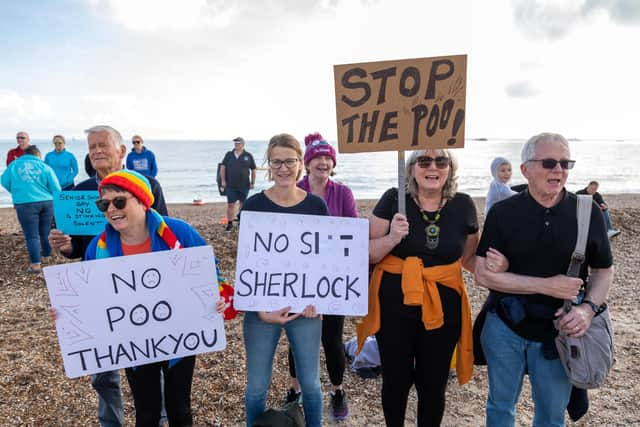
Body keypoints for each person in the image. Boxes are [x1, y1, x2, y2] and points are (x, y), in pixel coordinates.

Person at [474, 133, 614, 426]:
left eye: (565, 163)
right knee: (500, 406)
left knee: (551, 414)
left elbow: (603, 270)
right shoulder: (503, 212)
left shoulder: (587, 212)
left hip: (560, 329)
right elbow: (483, 274)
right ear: (525, 169)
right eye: (549, 162)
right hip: (505, 325)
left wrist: (587, 310)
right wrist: (545, 284)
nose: (559, 170)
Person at [74, 170, 225, 426]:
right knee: (146, 411)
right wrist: (68, 314)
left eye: (119, 201)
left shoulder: (178, 232)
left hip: (181, 334)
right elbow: (89, 298)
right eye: (104, 204)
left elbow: (209, 268)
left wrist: (217, 293)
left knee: (180, 408)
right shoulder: (98, 248)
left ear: (143, 201)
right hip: (134, 341)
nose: (111, 209)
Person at [357, 149, 490, 426]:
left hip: (444, 305)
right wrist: (393, 238)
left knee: (433, 382)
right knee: (396, 379)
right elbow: (365, 253)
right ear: (412, 168)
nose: (433, 167)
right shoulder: (394, 198)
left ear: (450, 168)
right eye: (424, 161)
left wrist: (504, 271)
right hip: (394, 303)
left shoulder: (463, 204)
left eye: (441, 161)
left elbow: (467, 259)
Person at [48, 125, 168, 427]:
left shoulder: (148, 184)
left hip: (142, 286)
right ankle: (110, 422)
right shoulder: (79, 192)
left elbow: (164, 233)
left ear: (122, 151)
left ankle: (160, 416)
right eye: (92, 147)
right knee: (103, 370)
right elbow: (75, 246)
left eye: (103, 145)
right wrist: (65, 246)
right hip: (98, 289)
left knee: (155, 358)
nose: (97, 151)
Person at [241, 133, 328, 427]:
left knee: (312, 384)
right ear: (268, 165)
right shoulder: (253, 206)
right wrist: (260, 310)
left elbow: (324, 261)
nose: (283, 168)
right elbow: (248, 264)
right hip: (261, 312)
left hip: (305, 309)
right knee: (255, 388)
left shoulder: (316, 206)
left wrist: (319, 301)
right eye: (276, 162)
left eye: (289, 161)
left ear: (300, 164)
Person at [282, 132, 356, 420]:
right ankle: (295, 388)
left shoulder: (343, 193)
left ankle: (337, 390)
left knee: (332, 339)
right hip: (298, 277)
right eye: (318, 158)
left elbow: (351, 234)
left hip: (332, 278)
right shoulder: (294, 189)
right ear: (307, 162)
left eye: (328, 158)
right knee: (297, 337)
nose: (323, 162)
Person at [2, 145, 61, 273]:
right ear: (38, 155)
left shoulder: (14, 165)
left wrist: (16, 191)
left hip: (25, 203)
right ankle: (46, 253)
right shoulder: (44, 166)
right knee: (45, 232)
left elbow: (4, 181)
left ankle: (36, 265)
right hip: (46, 201)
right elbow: (56, 188)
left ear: (25, 154)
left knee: (31, 236)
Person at [219, 137, 256, 231]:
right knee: (231, 204)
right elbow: (223, 167)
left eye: (238, 143)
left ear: (243, 144)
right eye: (235, 143)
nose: (236, 145)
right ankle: (230, 223)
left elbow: (253, 169)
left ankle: (241, 221)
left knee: (243, 204)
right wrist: (223, 180)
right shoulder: (229, 154)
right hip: (231, 185)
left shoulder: (248, 155)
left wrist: (252, 182)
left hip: (244, 185)